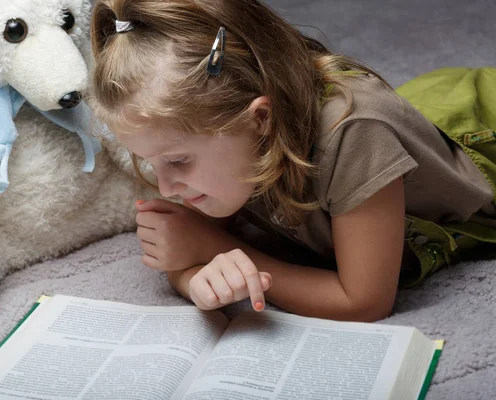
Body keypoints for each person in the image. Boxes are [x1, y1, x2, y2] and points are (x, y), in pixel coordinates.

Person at [88, 0, 496, 322]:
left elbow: (363, 302)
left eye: (177, 161)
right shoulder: (223, 136)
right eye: (148, 161)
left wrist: (215, 246)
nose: (166, 187)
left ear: (261, 120)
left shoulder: (355, 134)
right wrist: (195, 278)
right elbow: (187, 250)